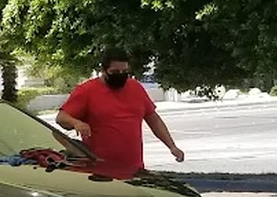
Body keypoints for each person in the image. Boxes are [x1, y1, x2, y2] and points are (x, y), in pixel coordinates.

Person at [55, 49, 184, 172]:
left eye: (125, 72)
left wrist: (172, 146)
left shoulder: (135, 87)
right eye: (115, 72)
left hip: (134, 168)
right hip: (99, 169)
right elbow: (61, 118)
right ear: (104, 70)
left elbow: (153, 119)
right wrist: (76, 123)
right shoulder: (86, 91)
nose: (121, 75)